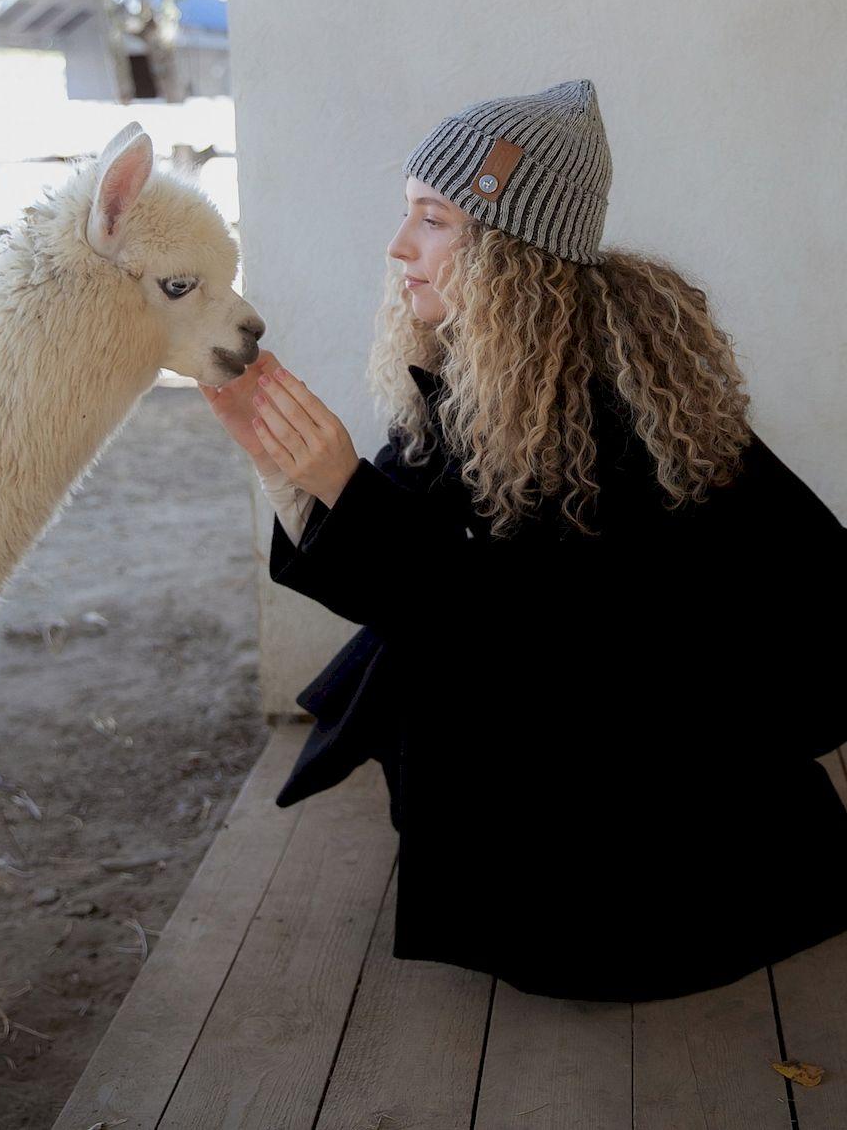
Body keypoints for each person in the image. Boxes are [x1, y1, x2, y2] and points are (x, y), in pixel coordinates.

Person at [199, 78, 847, 1004]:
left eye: (434, 219)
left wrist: (344, 486)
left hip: (669, 835)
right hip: (602, 734)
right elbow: (423, 577)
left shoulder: (619, 415)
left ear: (514, 254)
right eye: (406, 214)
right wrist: (295, 479)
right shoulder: (482, 372)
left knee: (447, 661)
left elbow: (538, 648)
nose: (399, 247)